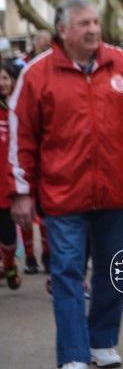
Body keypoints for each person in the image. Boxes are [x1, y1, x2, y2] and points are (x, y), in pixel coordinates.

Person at [8, 0, 123, 369]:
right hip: (63, 197)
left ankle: (102, 342)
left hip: (117, 194)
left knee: (114, 270)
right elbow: (22, 140)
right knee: (67, 275)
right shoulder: (37, 75)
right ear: (62, 30)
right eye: (83, 24)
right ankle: (74, 354)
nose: (93, 30)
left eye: (96, 22)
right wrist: (20, 192)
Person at [0, 61, 22, 290]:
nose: (2, 82)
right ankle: (8, 267)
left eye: (6, 77)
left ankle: (9, 263)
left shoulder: (20, 106)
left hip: (11, 181)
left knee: (7, 233)